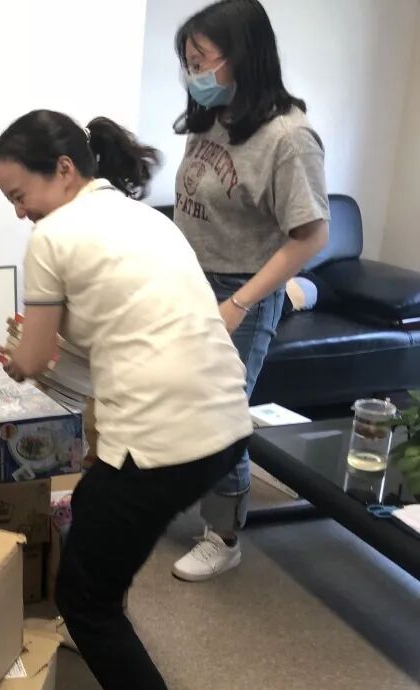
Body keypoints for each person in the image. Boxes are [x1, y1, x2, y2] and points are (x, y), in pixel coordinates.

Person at [0, 110, 252, 690]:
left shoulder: (53, 236)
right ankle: (92, 619)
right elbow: (116, 337)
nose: (19, 213)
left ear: (64, 171)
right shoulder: (146, 220)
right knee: (96, 515)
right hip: (226, 427)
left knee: (84, 594)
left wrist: (17, 355)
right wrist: (48, 347)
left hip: (160, 441)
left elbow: (34, 362)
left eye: (19, 195)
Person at [170, 0, 329, 582]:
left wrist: (240, 303)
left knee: (221, 417)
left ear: (243, 56)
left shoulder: (290, 138)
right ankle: (180, 497)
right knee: (180, 400)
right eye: (188, 63)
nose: (194, 74)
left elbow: (311, 235)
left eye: (202, 61)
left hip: (240, 289)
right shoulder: (214, 117)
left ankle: (224, 536)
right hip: (188, 280)